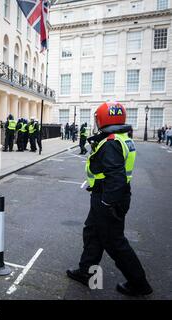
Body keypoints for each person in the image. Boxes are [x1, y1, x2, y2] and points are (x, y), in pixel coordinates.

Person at [67, 101, 152, 297]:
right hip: (106, 194)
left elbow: (116, 176)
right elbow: (109, 172)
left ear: (104, 119)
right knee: (92, 233)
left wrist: (107, 203)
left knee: (114, 242)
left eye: (97, 118)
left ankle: (139, 283)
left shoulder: (112, 142)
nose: (96, 122)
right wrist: (96, 185)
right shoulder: (121, 138)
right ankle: (86, 271)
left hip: (109, 199)